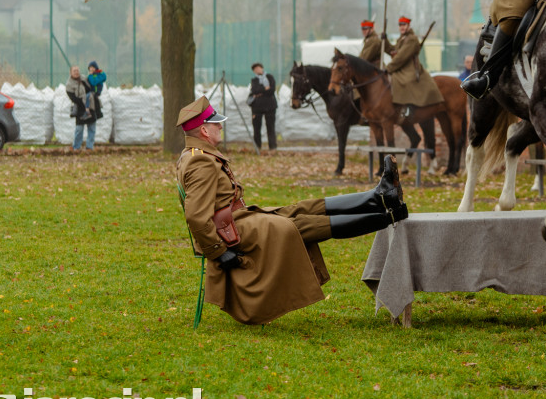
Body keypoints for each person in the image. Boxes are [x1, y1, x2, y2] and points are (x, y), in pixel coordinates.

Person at [175, 96, 409, 325]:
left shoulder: (197, 155)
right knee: (297, 226)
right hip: (231, 230)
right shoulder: (200, 161)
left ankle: (379, 197)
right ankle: (385, 217)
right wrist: (217, 251)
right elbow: (196, 216)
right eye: (215, 123)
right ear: (204, 131)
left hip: (238, 219)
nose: (219, 127)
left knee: (302, 208)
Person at [381, 16, 443, 121]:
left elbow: (401, 56)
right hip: (401, 67)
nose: (402, 27)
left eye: (404, 25)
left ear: (408, 26)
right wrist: (385, 40)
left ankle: (408, 108)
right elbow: (393, 51)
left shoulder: (412, 39)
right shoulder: (402, 38)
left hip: (409, 68)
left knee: (405, 81)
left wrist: (388, 68)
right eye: (400, 25)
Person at [65, 65, 97, 151]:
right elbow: (73, 98)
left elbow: (91, 88)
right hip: (80, 108)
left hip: (90, 106)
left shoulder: (84, 79)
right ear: (70, 73)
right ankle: (76, 147)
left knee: (92, 128)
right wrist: (83, 102)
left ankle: (89, 147)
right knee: (79, 129)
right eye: (74, 71)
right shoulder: (69, 85)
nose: (76, 72)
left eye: (77, 70)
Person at [248, 63, 277, 152]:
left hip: (270, 106)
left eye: (258, 68)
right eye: (255, 69)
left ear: (262, 68)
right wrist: (265, 89)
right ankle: (258, 147)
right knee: (256, 128)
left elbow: (272, 90)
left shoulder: (270, 77)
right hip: (257, 107)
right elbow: (254, 90)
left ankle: (272, 147)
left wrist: (260, 92)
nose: (257, 70)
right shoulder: (254, 80)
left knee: (270, 127)